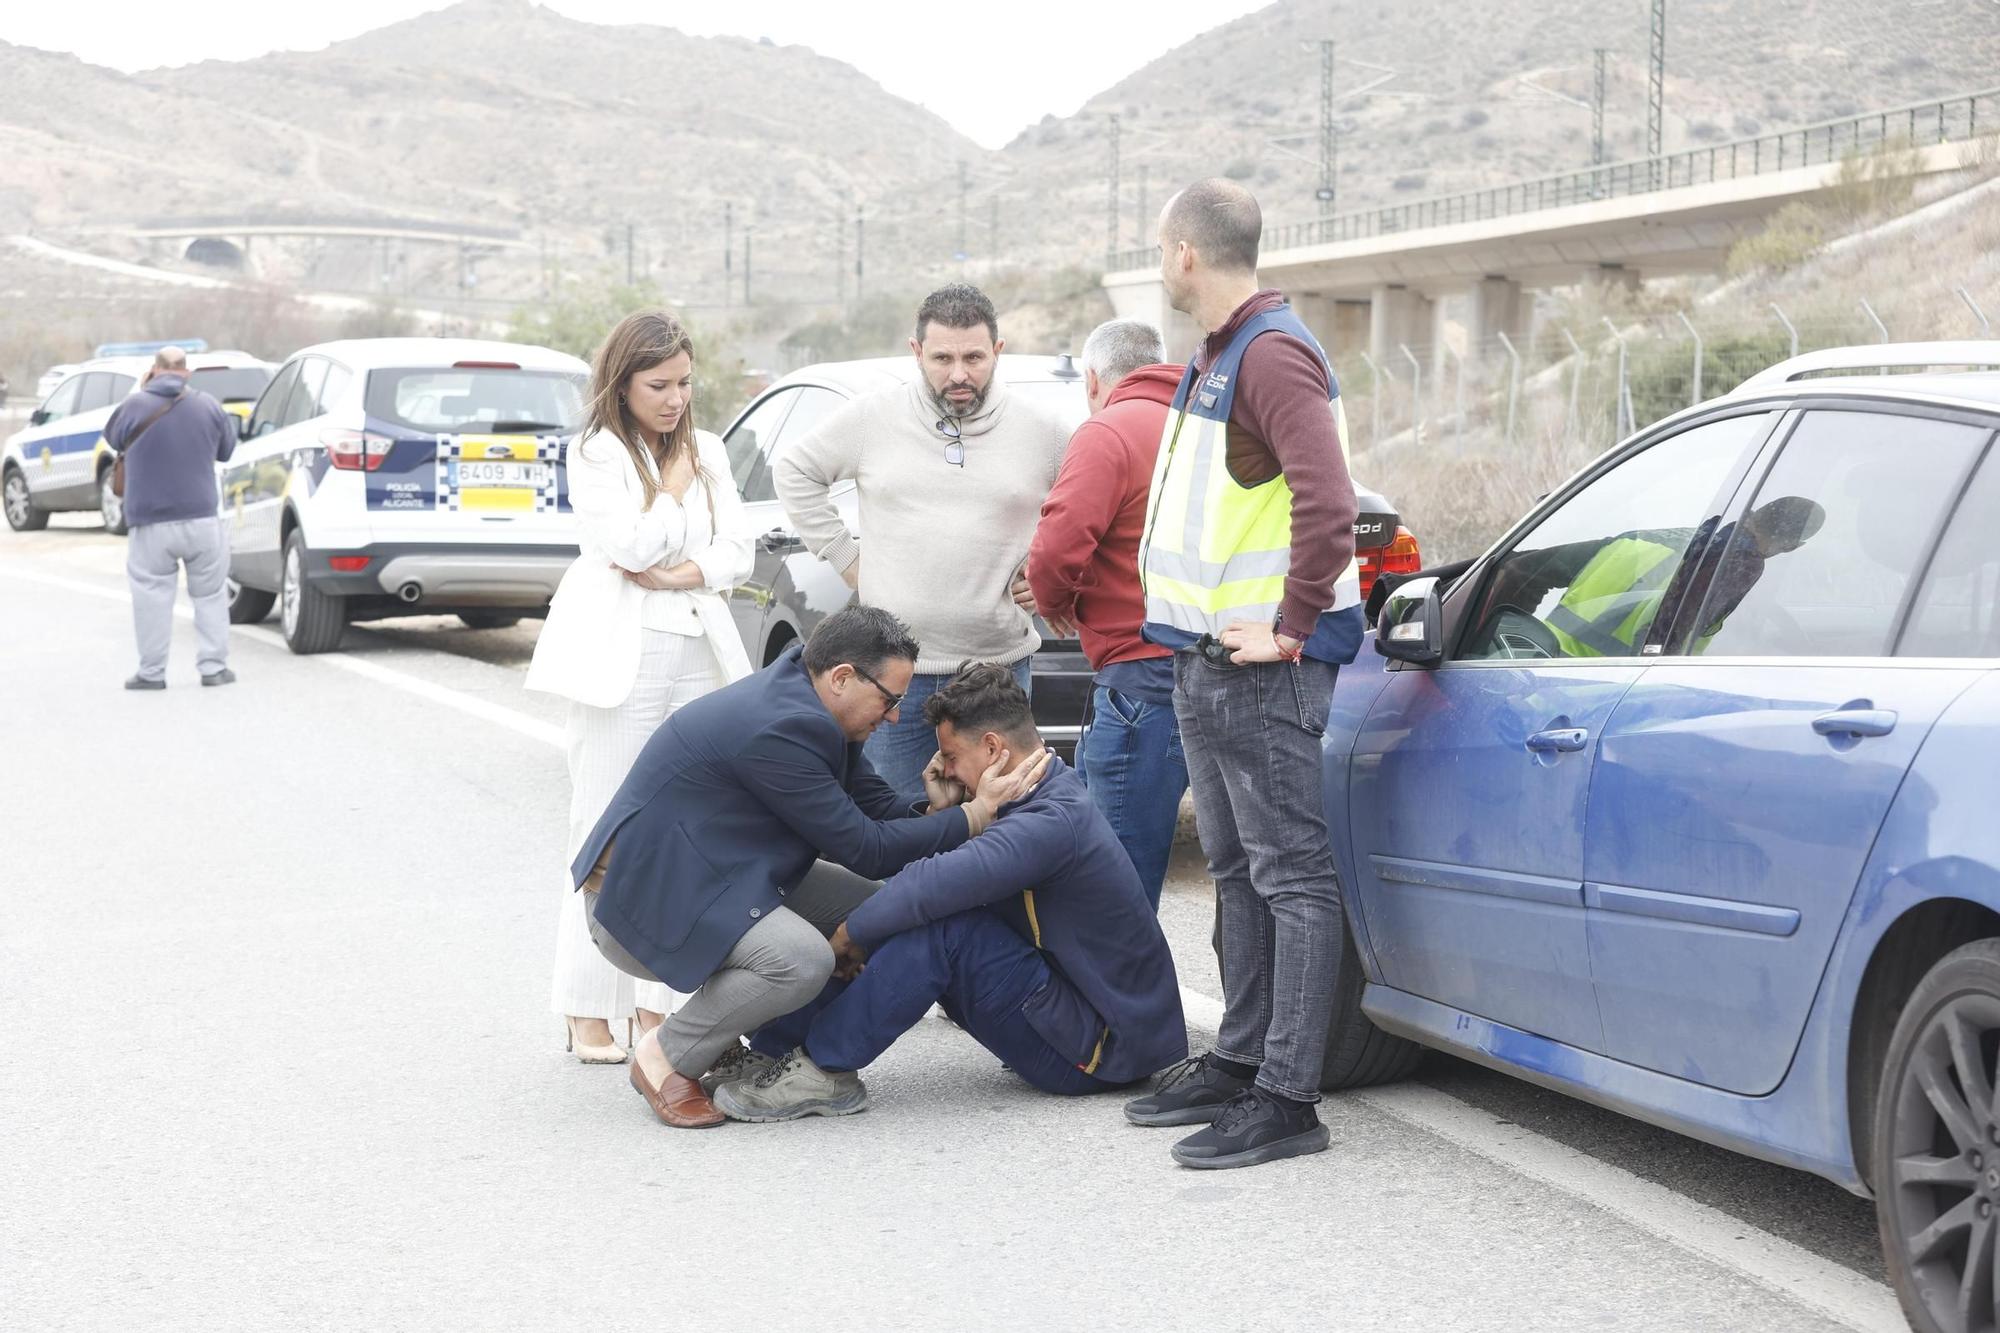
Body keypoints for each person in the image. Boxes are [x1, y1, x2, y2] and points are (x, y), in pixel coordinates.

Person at [574, 606, 1049, 1128]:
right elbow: (865, 847)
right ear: (843, 677)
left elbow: (872, 807)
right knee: (800, 960)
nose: (894, 717)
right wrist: (974, 816)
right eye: (890, 700)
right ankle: (665, 1055)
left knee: (881, 909)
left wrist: (938, 809)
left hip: (718, 874)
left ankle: (759, 1045)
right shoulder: (782, 729)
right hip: (643, 903)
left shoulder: (812, 703)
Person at [1121, 179, 1362, 1170]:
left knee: (1289, 877)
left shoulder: (1271, 353)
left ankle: (1286, 1096)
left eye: (1158, 246)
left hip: (1262, 668)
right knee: (1234, 871)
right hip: (1203, 661)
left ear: (1185, 252)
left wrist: (1293, 624)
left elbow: (1329, 500)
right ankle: (1240, 1056)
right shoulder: (1219, 353)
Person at [713, 664, 1187, 1122]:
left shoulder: (1050, 822)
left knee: (940, 930)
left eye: (953, 757)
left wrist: (849, 934)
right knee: (915, 915)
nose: (947, 770)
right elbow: (938, 880)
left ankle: (821, 1071)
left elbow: (930, 884)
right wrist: (951, 812)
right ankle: (776, 1052)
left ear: (993, 747)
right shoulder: (1035, 796)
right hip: (1077, 1017)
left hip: (1102, 1051)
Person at [525, 311, 755, 1065]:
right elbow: (624, 545)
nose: (675, 399)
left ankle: (663, 1001)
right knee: (603, 826)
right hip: (617, 654)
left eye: (685, 383)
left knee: (691, 825)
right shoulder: (595, 452)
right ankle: (587, 1004)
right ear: (621, 384)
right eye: (658, 385)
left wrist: (688, 568)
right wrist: (672, 497)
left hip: (698, 645)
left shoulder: (712, 450)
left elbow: (738, 551)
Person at [775, 283, 1072, 805]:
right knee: (897, 826)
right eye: (942, 358)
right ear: (917, 353)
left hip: (996, 673)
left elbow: (1087, 508)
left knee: (1004, 827)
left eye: (974, 357)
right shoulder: (872, 418)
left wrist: (1046, 567)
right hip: (892, 683)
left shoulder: (1045, 432)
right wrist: (847, 559)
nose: (959, 374)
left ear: (997, 351)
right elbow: (794, 470)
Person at [1025, 318, 1187, 909]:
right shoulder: (1210, 427)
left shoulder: (1108, 431)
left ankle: (1119, 1001)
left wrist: (1057, 605)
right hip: (1220, 674)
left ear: (1093, 378)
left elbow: (1054, 551)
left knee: (1114, 883)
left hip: (1139, 675)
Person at [107, 347, 240, 690]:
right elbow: (226, 451)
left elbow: (113, 439)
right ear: (186, 372)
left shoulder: (135, 405)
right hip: (201, 518)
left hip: (149, 522)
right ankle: (213, 668)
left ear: (154, 370)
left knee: (151, 596)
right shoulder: (209, 405)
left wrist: (141, 391)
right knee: (210, 595)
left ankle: (151, 674)